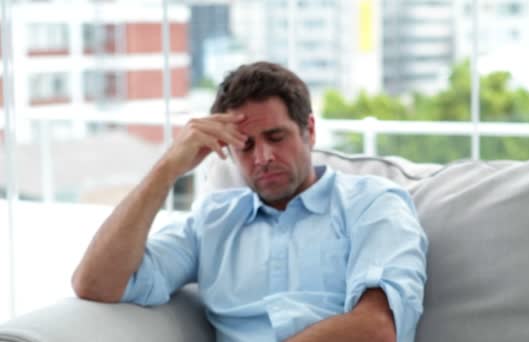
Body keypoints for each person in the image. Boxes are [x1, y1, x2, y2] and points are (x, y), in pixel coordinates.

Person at [72, 61, 428, 342]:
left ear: (310, 130)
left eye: (276, 136)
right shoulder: (213, 221)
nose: (263, 157)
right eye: (246, 145)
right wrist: (167, 168)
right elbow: (95, 283)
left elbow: (377, 329)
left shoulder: (373, 203)